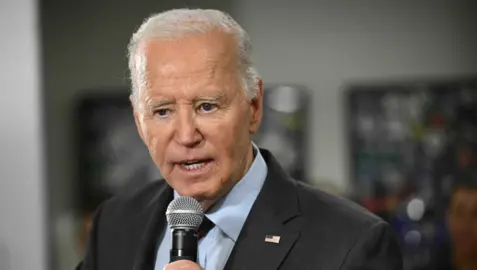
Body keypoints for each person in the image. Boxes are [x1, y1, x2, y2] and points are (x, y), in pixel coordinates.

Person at [77, 8, 403, 270]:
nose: (187, 135)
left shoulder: (352, 243)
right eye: (162, 111)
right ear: (138, 120)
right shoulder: (113, 226)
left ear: (254, 106)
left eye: (207, 106)